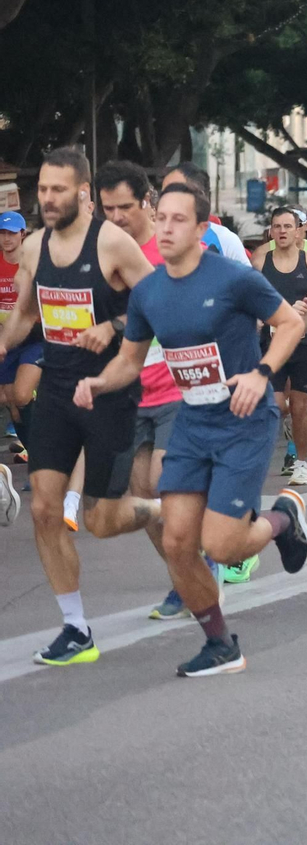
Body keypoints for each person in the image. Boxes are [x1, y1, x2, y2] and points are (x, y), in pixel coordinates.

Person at [74, 181, 307, 676]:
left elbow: (289, 323)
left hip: (243, 422)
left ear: (202, 228)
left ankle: (285, 517)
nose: (165, 228)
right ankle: (221, 644)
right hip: (192, 422)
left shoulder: (233, 278)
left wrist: (261, 373)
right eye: (160, 217)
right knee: (179, 542)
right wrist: (99, 383)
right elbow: (130, 360)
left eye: (178, 219)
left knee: (224, 545)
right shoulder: (148, 291)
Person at [0, 148, 157, 666]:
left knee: (102, 521)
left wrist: (111, 327)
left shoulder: (113, 242)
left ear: (84, 192)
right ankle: (75, 628)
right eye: (42, 189)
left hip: (110, 390)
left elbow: (155, 302)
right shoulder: (33, 248)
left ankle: (162, 512)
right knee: (44, 509)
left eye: (58, 190)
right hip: (59, 387)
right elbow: (24, 317)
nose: (47, 199)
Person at [92, 161, 203, 619]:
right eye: (107, 208)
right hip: (129, 394)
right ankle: (183, 577)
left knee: (163, 485)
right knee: (145, 499)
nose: (116, 217)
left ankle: (202, 559)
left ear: (147, 203)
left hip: (178, 390)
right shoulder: (99, 254)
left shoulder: (169, 249)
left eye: (124, 207)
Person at [252, 206, 307, 488]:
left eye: (287, 226)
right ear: (271, 231)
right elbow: (252, 298)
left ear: (298, 232)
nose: (281, 231)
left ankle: (301, 464)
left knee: (299, 405)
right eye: (276, 226)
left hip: (304, 341)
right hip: (272, 343)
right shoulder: (260, 260)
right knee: (276, 405)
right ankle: (299, 424)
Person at [0, 209, 41, 490]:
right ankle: (39, 461)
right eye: (2, 233)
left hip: (33, 338)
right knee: (12, 405)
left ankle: (42, 466)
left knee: (23, 395)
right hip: (5, 341)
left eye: (12, 233)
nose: (6, 239)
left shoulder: (31, 262)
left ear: (22, 235)